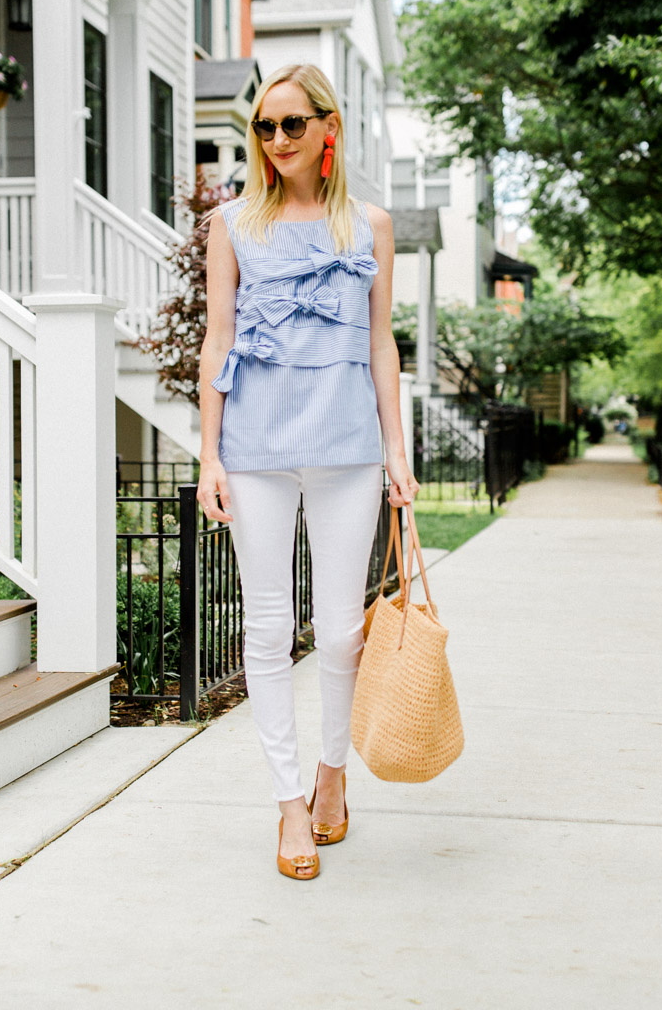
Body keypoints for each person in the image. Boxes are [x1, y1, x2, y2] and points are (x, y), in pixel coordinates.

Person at [196, 63, 418, 881]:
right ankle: (289, 803)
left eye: (292, 124)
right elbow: (216, 341)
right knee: (264, 627)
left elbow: (379, 343)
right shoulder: (233, 226)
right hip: (254, 451)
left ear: (328, 127)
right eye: (263, 126)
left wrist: (398, 449)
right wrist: (210, 454)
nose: (277, 140)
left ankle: (333, 774)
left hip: (348, 449)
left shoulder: (369, 226)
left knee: (340, 631)